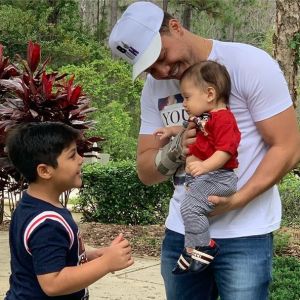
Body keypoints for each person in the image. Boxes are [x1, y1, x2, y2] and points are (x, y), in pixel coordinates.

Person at [109, 1, 300, 300]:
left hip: (244, 236)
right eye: (149, 68)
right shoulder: (153, 89)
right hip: (181, 236)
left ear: (175, 27)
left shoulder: (248, 63)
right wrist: (175, 149)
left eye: (161, 57)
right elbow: (145, 171)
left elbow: (289, 147)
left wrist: (236, 201)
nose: (161, 71)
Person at [5, 122, 134, 300]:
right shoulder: (46, 223)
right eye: (72, 155)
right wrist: (106, 263)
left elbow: (57, 253)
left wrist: (92, 255)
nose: (81, 159)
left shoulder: (32, 205)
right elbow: (53, 283)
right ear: (44, 171)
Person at [154, 61, 241, 274]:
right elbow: (184, 129)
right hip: (205, 177)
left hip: (219, 177)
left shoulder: (223, 119)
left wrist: (204, 166)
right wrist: (170, 131)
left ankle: (204, 247)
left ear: (209, 94)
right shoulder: (202, 118)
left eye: (187, 97)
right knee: (189, 209)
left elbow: (226, 151)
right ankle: (191, 248)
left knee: (190, 208)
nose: (184, 103)